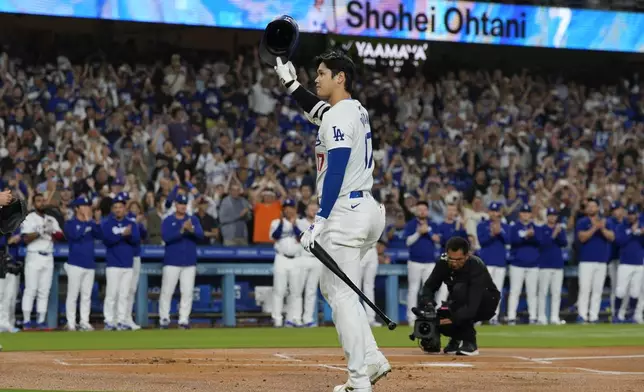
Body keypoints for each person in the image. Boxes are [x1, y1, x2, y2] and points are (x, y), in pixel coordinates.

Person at [275, 50, 391, 392]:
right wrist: (290, 83)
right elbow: (317, 110)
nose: (317, 78)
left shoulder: (339, 117)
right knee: (337, 290)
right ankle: (371, 358)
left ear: (340, 77)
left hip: (345, 212)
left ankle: (359, 380)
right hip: (366, 209)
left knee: (340, 295)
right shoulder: (353, 110)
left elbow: (337, 166)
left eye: (322, 73)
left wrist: (320, 219)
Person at [418, 237, 500, 356]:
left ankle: (469, 342)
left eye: (459, 259)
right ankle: (456, 339)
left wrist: (451, 320)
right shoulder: (443, 262)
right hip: (458, 299)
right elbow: (429, 287)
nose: (454, 263)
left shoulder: (476, 266)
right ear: (447, 254)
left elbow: (471, 307)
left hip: (486, 301)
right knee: (441, 315)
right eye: (451, 259)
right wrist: (429, 307)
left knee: (459, 297)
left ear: (467, 255)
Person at [159, 194, 204, 329]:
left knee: (187, 292)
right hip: (172, 261)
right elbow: (166, 237)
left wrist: (191, 230)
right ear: (175, 205)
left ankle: (183, 319)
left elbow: (201, 236)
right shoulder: (168, 220)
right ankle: (164, 318)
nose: (182, 206)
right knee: (167, 291)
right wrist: (181, 230)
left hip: (189, 262)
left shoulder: (193, 219)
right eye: (180, 204)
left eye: (184, 204)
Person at [21, 193, 64, 330]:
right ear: (34, 204)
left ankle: (40, 321)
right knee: (31, 290)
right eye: (38, 201)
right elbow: (26, 238)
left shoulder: (51, 219)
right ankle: (27, 321)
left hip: (48, 256)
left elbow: (60, 235)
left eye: (43, 201)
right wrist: (41, 231)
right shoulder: (29, 218)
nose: (41, 203)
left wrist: (51, 231)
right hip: (34, 256)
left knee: (44, 291)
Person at [101, 193, 140, 331]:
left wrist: (127, 236)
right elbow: (107, 240)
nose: (118, 209)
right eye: (115, 207)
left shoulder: (131, 223)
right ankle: (109, 320)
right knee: (112, 294)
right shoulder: (107, 223)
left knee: (124, 294)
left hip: (127, 264)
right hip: (113, 264)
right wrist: (122, 235)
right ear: (113, 209)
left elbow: (136, 240)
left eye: (120, 207)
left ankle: (122, 320)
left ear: (124, 209)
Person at [63, 196, 102, 331]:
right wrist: (86, 222)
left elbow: (100, 234)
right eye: (84, 206)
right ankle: (71, 323)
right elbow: (75, 235)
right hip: (75, 263)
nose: (87, 208)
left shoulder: (90, 223)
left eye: (88, 206)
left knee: (86, 295)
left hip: (89, 264)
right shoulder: (70, 223)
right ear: (77, 208)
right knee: (73, 295)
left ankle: (84, 321)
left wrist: (92, 221)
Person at [404, 200, 447, 325]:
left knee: (429, 291)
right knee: (413, 289)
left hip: (430, 262)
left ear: (428, 211)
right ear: (416, 211)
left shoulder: (433, 224)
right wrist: (418, 232)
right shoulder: (411, 224)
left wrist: (427, 230)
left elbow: (438, 240)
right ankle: (411, 318)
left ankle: (430, 316)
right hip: (414, 262)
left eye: (424, 209)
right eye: (420, 209)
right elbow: (408, 242)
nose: (422, 211)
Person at [575, 198, 615, 323]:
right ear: (587, 209)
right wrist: (594, 228)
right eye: (589, 206)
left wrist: (602, 228)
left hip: (601, 261)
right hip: (586, 261)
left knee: (597, 290)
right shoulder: (582, 221)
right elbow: (582, 238)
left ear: (598, 208)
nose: (591, 208)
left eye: (594, 206)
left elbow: (612, 237)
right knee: (585, 289)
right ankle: (582, 315)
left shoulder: (605, 222)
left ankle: (594, 316)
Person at [269, 198, 303, 327]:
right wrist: (283, 223)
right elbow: (275, 236)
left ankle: (296, 318)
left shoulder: (300, 223)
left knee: (296, 291)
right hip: (281, 258)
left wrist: (294, 225)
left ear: (294, 210)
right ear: (283, 210)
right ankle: (277, 319)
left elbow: (301, 237)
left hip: (296, 259)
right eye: (286, 207)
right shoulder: (275, 223)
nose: (289, 210)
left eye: (291, 207)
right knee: (279, 290)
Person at [476, 202, 510, 325]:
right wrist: (492, 234)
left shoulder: (505, 226)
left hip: (500, 263)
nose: (495, 214)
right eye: (493, 211)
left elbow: (508, 240)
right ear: (489, 212)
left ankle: (493, 318)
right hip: (487, 262)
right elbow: (482, 241)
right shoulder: (482, 225)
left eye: (497, 211)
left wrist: (500, 232)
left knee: (497, 291)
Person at [508, 204, 540, 325]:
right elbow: (513, 241)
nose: (526, 215)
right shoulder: (515, 227)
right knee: (515, 291)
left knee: (532, 293)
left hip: (533, 264)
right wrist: (526, 235)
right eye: (523, 212)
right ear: (520, 214)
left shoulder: (536, 227)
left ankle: (533, 317)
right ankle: (511, 317)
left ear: (530, 214)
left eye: (528, 213)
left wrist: (532, 236)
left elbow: (541, 241)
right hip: (517, 264)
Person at [536, 208, 568, 325]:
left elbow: (564, 243)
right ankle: (541, 317)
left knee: (556, 293)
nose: (552, 217)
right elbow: (543, 244)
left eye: (554, 215)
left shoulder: (560, 229)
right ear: (547, 216)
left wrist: (558, 233)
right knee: (543, 292)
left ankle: (554, 317)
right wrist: (554, 233)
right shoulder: (541, 229)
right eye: (550, 215)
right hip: (544, 265)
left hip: (557, 265)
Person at [295, 201, 324, 327]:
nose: (313, 211)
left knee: (311, 290)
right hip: (303, 258)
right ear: (306, 211)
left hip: (316, 259)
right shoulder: (300, 222)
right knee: (298, 290)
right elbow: (300, 236)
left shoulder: (322, 224)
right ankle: (296, 317)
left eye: (315, 209)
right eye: (311, 209)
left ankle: (308, 318)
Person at [613, 205, 643, 322]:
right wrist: (631, 231)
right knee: (620, 290)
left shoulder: (641, 226)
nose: (631, 216)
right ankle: (616, 315)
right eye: (629, 214)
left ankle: (631, 316)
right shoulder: (621, 226)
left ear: (637, 215)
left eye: (633, 214)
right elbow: (619, 241)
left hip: (639, 263)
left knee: (635, 292)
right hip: (625, 263)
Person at [124, 193, 148, 330]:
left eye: (136, 208)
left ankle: (127, 317)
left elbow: (144, 235)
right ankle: (118, 317)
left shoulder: (139, 223)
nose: (134, 210)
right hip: (125, 257)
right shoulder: (125, 220)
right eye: (132, 207)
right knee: (123, 289)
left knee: (132, 289)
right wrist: (135, 222)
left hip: (136, 256)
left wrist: (139, 223)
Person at [0, 228, 21, 333]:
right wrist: (8, 241)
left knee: (9, 296)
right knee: (1, 295)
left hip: (9, 264)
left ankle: (5, 323)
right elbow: (5, 242)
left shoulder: (13, 225)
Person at [607, 201, 625, 312]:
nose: (615, 212)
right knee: (615, 287)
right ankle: (615, 312)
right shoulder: (610, 222)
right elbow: (614, 238)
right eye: (613, 210)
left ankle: (624, 312)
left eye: (617, 209)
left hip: (627, 259)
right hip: (614, 258)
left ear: (622, 209)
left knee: (627, 288)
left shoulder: (627, 222)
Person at [358, 244, 381, 327]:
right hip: (360, 249)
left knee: (369, 287)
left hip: (372, 250)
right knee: (356, 287)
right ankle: (356, 318)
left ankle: (371, 318)